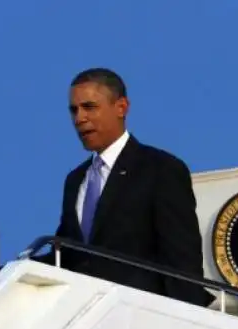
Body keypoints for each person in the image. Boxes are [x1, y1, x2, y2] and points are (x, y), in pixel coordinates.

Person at [35, 68, 213, 307]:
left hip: (140, 318)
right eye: (73, 110)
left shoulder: (160, 169)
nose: (79, 119)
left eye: (89, 107)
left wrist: (186, 325)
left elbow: (182, 262)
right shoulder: (75, 180)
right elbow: (67, 255)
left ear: (121, 107)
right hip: (86, 317)